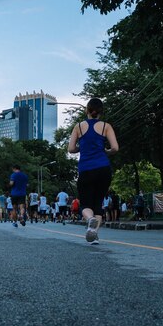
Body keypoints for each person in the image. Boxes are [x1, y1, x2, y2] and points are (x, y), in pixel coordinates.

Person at [67, 97, 119, 244]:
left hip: (86, 169)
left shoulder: (78, 126)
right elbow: (115, 148)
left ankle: (90, 220)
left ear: (87, 110)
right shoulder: (106, 126)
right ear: (101, 112)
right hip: (103, 169)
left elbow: (71, 149)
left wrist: (80, 148)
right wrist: (106, 151)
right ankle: (94, 234)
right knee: (98, 204)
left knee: (85, 204)